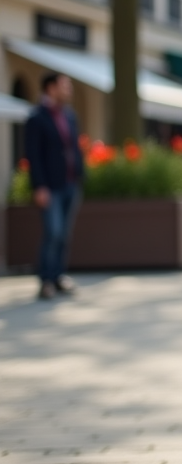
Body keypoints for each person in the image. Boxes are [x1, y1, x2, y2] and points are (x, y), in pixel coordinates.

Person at [25, 71, 85, 301]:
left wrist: (80, 174)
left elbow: (74, 148)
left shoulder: (69, 116)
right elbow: (33, 155)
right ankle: (46, 280)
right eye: (65, 86)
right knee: (53, 232)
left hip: (70, 183)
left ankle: (59, 276)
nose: (68, 90)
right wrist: (39, 186)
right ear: (51, 88)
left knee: (64, 234)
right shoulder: (37, 117)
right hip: (49, 187)